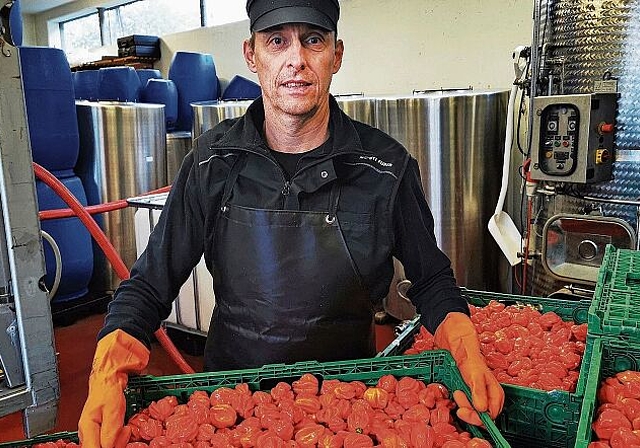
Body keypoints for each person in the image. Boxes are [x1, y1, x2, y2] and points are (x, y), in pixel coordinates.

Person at [78, 1, 504, 446]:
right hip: (231, 410)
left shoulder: (385, 168)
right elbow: (150, 284)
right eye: (277, 41)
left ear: (336, 55)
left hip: (350, 409)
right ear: (251, 54)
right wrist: (110, 365)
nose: (295, 59)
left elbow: (432, 278)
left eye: (313, 40)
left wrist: (465, 346)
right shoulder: (212, 162)